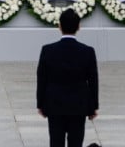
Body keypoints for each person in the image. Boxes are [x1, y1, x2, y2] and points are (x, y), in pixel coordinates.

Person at [36, 8, 99, 147]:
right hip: (79, 105)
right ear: (78, 27)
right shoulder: (87, 51)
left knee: (56, 142)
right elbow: (93, 80)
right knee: (76, 143)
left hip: (54, 104)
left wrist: (41, 104)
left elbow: (42, 79)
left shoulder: (48, 50)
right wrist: (93, 106)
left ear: (59, 26)